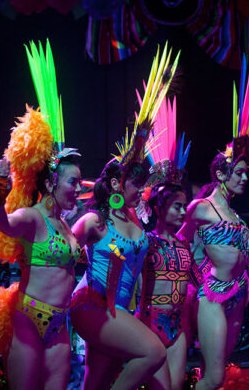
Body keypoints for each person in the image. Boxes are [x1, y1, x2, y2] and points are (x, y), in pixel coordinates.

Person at [70, 158, 168, 390]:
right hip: (93, 305)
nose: (142, 189)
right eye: (136, 183)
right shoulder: (95, 220)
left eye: (143, 183)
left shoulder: (135, 219)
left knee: (97, 383)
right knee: (154, 353)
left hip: (120, 311)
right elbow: (64, 254)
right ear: (116, 184)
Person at [0, 150, 82, 389]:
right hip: (29, 319)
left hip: (60, 324)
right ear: (51, 183)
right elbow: (3, 224)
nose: (79, 189)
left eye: (80, 183)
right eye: (73, 182)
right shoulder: (32, 217)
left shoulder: (64, 224)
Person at [177, 136, 249, 390]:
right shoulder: (201, 207)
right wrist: (191, 280)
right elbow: (179, 242)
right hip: (214, 297)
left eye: (246, 173)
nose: (244, 178)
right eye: (239, 173)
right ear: (221, 174)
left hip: (238, 296)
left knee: (214, 371)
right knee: (215, 378)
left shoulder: (233, 213)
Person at [138, 182, 201, 390]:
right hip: (151, 324)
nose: (183, 212)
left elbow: (199, 281)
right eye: (177, 206)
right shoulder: (146, 242)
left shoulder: (183, 243)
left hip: (176, 328)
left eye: (185, 206)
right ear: (159, 209)